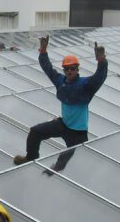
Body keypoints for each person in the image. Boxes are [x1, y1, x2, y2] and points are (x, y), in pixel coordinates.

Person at [13, 39, 107, 172]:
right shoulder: (60, 81)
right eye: (66, 69)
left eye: (72, 68)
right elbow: (47, 68)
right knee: (35, 132)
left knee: (63, 162)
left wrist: (101, 59)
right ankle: (30, 156)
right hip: (63, 124)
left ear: (77, 69)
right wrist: (43, 50)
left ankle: (52, 175)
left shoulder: (86, 85)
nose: (69, 71)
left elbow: (100, 77)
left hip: (78, 133)